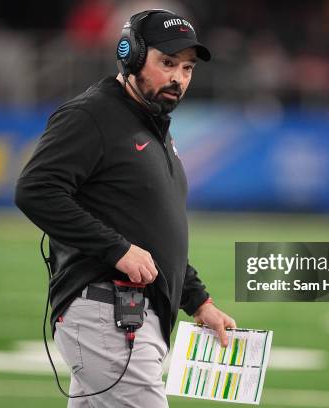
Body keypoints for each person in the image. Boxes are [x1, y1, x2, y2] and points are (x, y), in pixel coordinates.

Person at [14, 9, 236, 407]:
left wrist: (199, 302)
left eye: (187, 68)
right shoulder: (92, 114)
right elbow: (35, 190)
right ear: (131, 55)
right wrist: (117, 249)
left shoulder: (154, 127)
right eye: (167, 63)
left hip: (127, 315)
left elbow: (152, 233)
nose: (178, 78)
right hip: (108, 313)